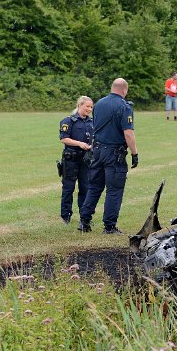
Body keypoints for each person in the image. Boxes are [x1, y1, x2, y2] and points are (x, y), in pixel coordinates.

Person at [78, 78, 138, 235]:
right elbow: (128, 133)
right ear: (124, 90)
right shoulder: (124, 107)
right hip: (114, 153)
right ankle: (109, 226)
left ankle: (84, 221)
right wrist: (134, 153)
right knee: (114, 190)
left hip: (97, 151)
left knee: (94, 186)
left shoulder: (98, 104)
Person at [59, 96, 94, 224]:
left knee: (85, 188)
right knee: (68, 188)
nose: (89, 109)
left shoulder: (91, 122)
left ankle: (84, 217)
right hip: (71, 159)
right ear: (80, 105)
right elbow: (64, 138)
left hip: (86, 160)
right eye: (87, 106)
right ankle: (66, 216)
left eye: (91, 107)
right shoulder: (69, 121)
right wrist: (79, 143)